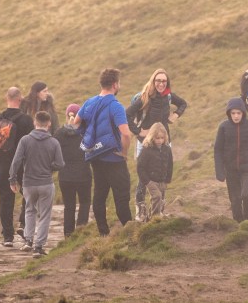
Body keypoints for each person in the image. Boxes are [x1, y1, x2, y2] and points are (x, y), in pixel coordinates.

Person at [77, 68, 133, 235]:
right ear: (115, 85)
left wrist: (88, 136)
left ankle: (103, 232)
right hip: (114, 158)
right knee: (122, 196)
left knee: (100, 194)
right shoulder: (116, 106)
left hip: (95, 155)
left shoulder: (89, 102)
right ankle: (129, 231)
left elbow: (76, 122)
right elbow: (126, 134)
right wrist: (124, 153)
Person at [126, 69, 188, 219]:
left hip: (164, 141)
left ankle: (159, 209)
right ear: (153, 81)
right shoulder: (145, 98)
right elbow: (127, 113)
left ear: (167, 83)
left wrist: (176, 114)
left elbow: (183, 103)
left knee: (163, 171)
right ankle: (140, 210)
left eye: (164, 81)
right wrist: (138, 131)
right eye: (158, 80)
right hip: (145, 143)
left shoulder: (168, 97)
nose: (161, 83)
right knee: (143, 174)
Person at [10, 111, 64, 257]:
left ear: (35, 122)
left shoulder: (25, 140)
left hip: (28, 183)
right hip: (46, 182)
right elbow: (60, 163)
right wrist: (49, 167)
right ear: (49, 124)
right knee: (45, 214)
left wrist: (12, 179)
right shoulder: (54, 142)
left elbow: (16, 161)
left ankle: (28, 240)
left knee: (29, 210)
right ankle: (38, 247)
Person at [0, 88, 37, 246]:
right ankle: (23, 224)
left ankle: (7, 236)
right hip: (22, 164)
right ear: (20, 99)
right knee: (28, 195)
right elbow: (32, 143)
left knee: (5, 198)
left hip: (3, 164)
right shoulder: (27, 120)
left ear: (6, 98)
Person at [214, 98, 248, 222]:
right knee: (235, 199)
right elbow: (218, 150)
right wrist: (219, 171)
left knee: (246, 194)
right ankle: (238, 223)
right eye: (233, 113)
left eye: (238, 113)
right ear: (229, 113)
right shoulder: (223, 127)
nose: (236, 116)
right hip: (230, 169)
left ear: (243, 113)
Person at [54, 103, 92, 237]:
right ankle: (81, 232)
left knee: (69, 206)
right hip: (84, 175)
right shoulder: (86, 132)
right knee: (85, 203)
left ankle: (68, 234)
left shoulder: (58, 133)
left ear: (66, 116)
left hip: (65, 176)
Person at [135, 123, 174, 221]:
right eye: (157, 138)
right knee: (157, 196)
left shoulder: (167, 149)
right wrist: (147, 181)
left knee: (158, 200)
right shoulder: (146, 150)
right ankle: (155, 219)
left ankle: (149, 218)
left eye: (162, 138)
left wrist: (167, 180)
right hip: (151, 180)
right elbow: (140, 167)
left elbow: (170, 164)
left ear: (165, 137)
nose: (160, 140)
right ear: (152, 137)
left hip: (162, 180)